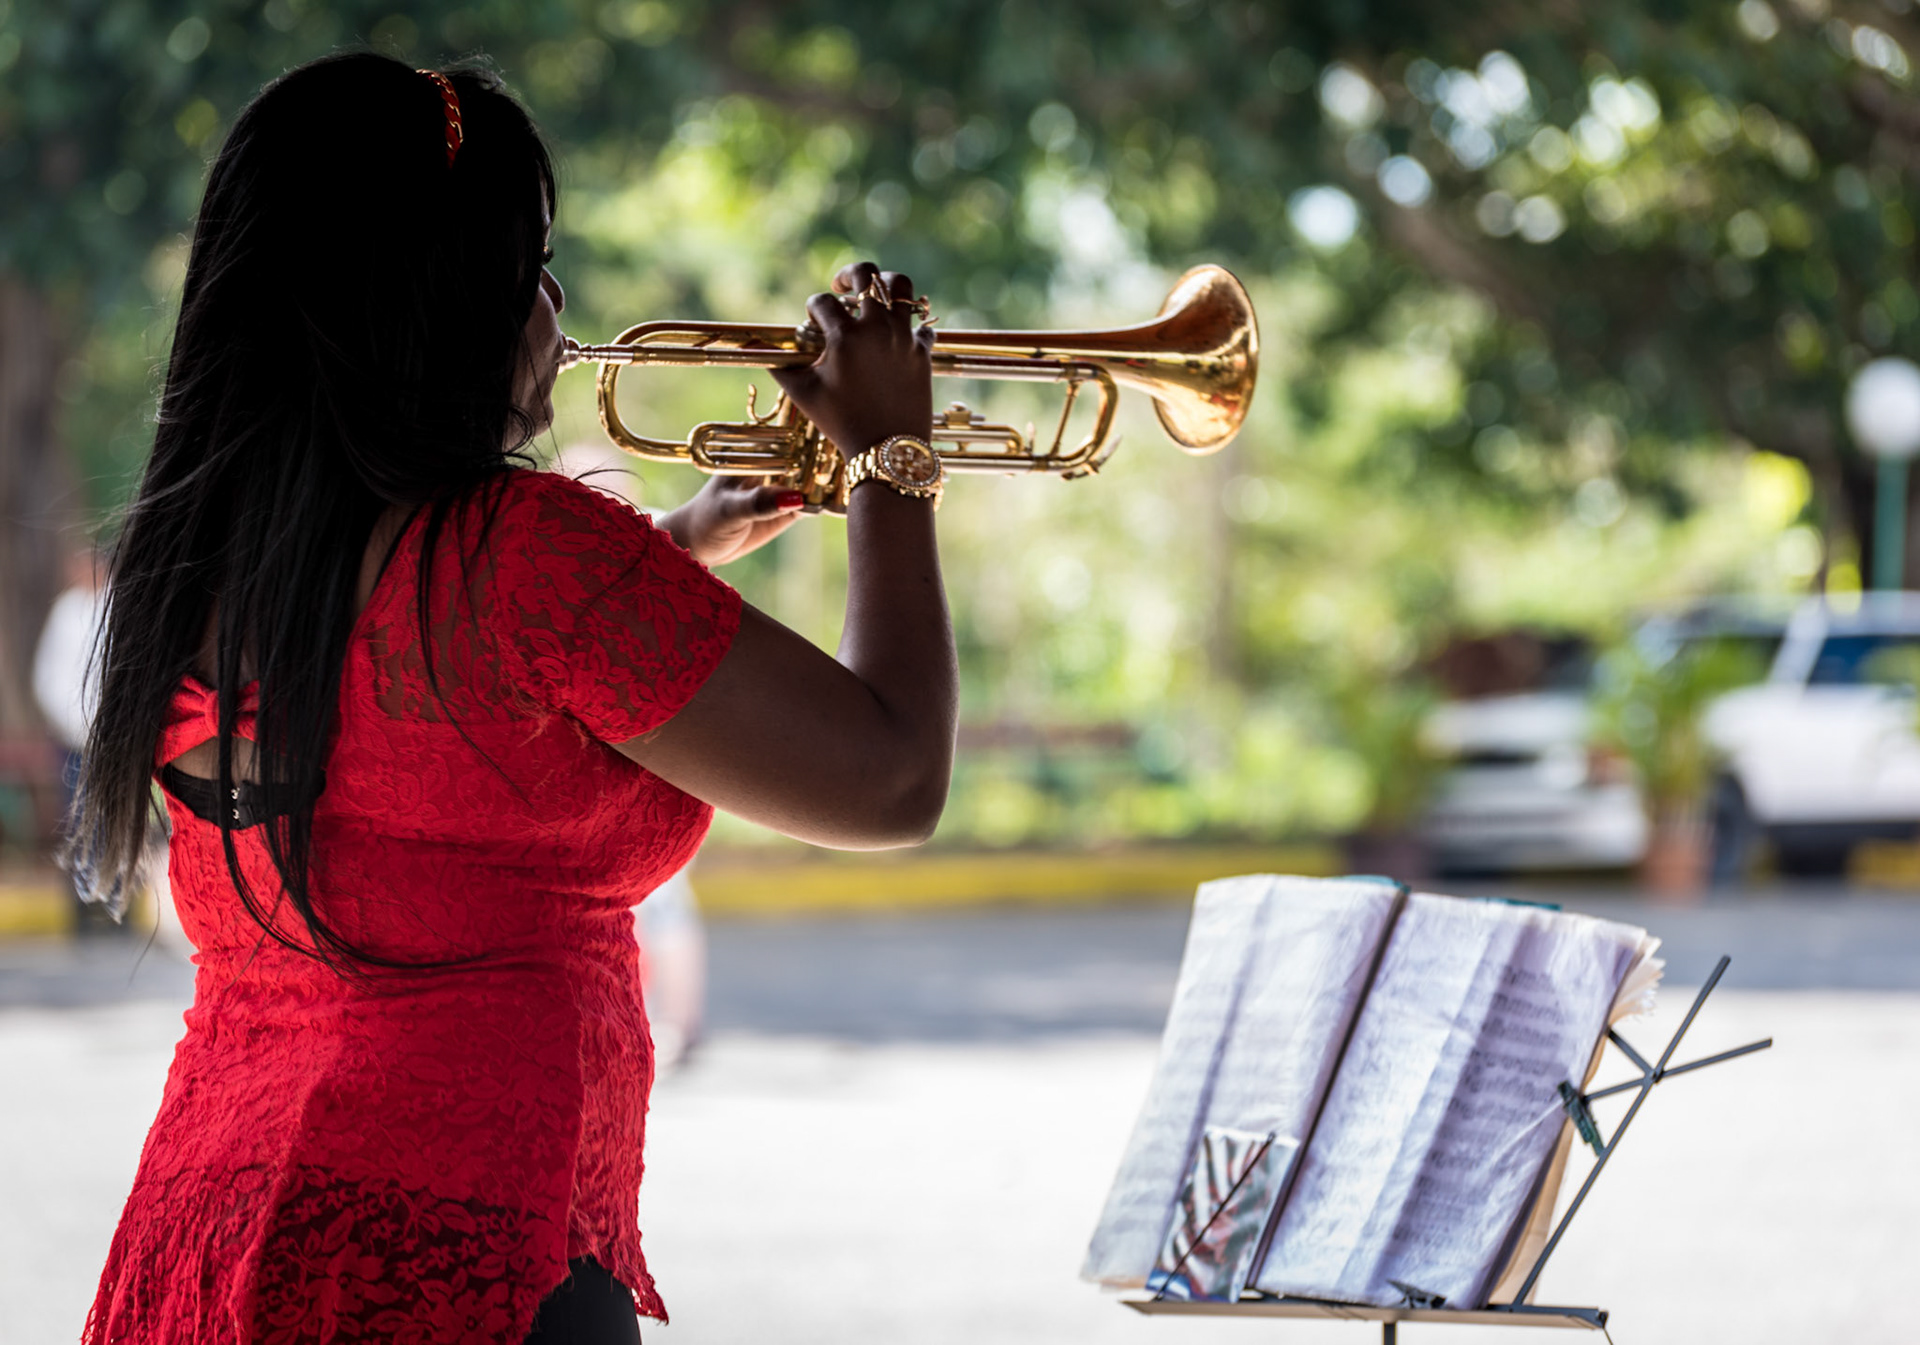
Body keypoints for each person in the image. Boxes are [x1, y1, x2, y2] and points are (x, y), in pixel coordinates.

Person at [73, 52, 955, 1345]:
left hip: (208, 1236)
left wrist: (672, 544)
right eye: (524, 263)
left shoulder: (193, 554)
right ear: (438, 297)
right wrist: (890, 454)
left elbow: (403, 682)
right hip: (459, 1251)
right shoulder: (530, 557)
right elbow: (891, 779)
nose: (550, 302)